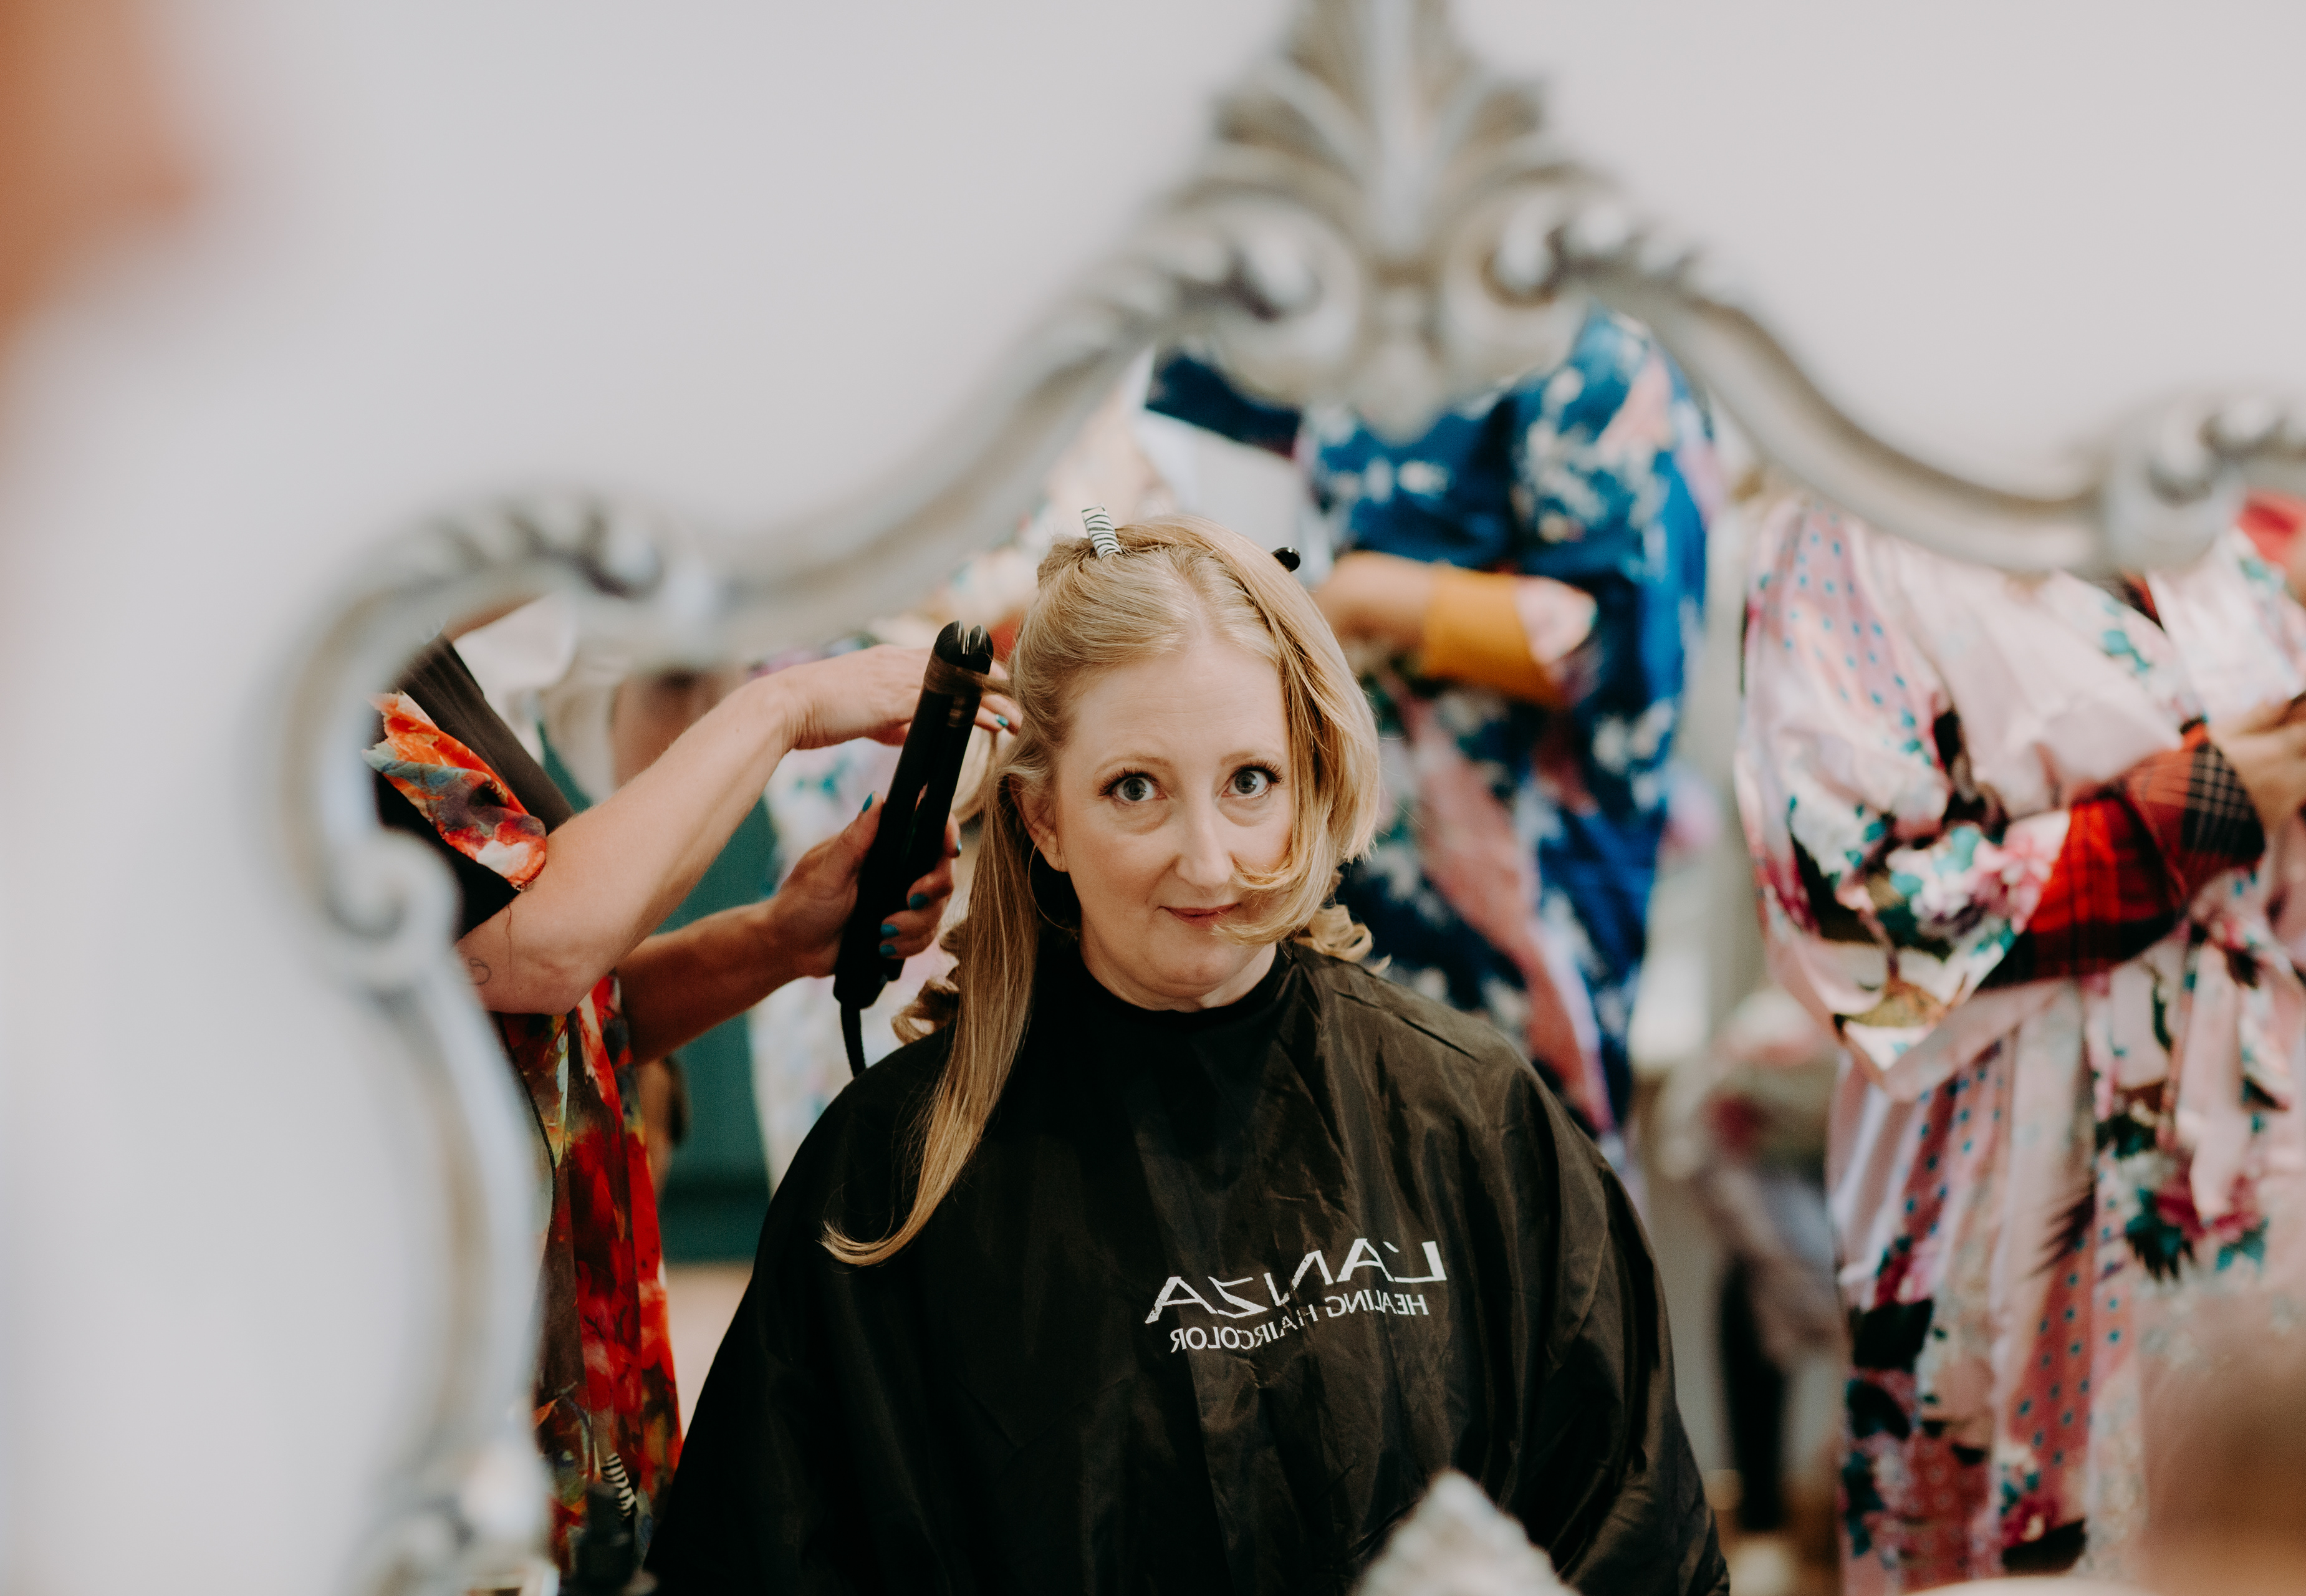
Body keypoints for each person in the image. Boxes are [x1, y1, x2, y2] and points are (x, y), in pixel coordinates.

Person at [648, 515, 1727, 1595]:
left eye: (1250, 781)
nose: (1209, 862)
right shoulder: (890, 1179)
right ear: (1041, 816)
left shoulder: (1476, 1117)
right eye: (1136, 789)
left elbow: (1637, 1538)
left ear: (1310, 781)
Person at [1733, 494, 2306, 1590]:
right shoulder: (1850, 528)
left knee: (2236, 1527)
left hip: (2236, 1163)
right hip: (2002, 1162)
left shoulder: (2181, 504)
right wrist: (2185, 818)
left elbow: (2294, 754)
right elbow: (1844, 904)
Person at [368, 628, 1003, 1587]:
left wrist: (778, 941)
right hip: (442, 1371)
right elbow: (540, 949)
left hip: (581, 1372)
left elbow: (556, 1014)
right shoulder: (325, 714)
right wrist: (781, 707)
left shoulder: (413, 670)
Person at [1146, 311, 1717, 1142]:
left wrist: (1356, 600)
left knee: (1511, 1154)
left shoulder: (1594, 359)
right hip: (1360, 849)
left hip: (1529, 871)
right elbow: (1166, 374)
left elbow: (1606, 649)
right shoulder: (1363, 323)